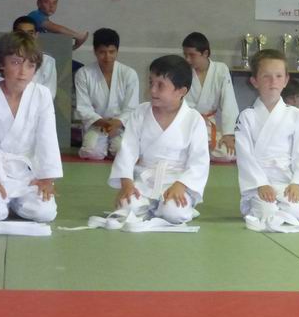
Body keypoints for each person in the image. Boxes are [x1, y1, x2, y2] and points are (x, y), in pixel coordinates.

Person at [0, 31, 62, 223]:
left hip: (30, 173)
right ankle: (2, 199)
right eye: (15, 62)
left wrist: (47, 178)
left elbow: (47, 138)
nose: (23, 72)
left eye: (30, 65)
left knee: (45, 213)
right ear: (1, 64)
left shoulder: (42, 94)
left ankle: (16, 202)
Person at [108, 55, 210, 224]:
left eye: (160, 85)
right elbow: (128, 150)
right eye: (151, 83)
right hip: (145, 180)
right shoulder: (140, 113)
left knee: (174, 212)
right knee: (128, 207)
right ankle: (151, 206)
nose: (153, 90)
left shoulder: (194, 119)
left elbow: (199, 161)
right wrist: (127, 183)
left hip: (177, 181)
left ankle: (178, 207)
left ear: (181, 91)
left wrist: (181, 184)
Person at [235, 49, 299, 227]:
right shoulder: (247, 116)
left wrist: (298, 183)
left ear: (286, 80)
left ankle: (283, 206)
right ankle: (260, 204)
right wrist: (260, 184)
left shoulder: (296, 115)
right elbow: (245, 156)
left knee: (296, 213)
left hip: (286, 182)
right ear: (254, 81)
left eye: (279, 76)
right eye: (266, 76)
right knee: (267, 214)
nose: (273, 82)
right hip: (259, 184)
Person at [75, 28, 140, 160]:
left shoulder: (129, 74)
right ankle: (105, 146)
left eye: (111, 52)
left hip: (120, 126)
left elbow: (131, 108)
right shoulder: (84, 73)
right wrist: (103, 123)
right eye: (102, 52)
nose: (107, 57)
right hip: (96, 124)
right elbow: (84, 107)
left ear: (117, 51)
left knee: (123, 153)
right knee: (92, 152)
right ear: (95, 51)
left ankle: (112, 146)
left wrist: (116, 123)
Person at [181, 32, 239, 161]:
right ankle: (198, 151)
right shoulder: (183, 71)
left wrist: (228, 133)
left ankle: (198, 152)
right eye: (185, 55)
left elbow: (229, 102)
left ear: (205, 53)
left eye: (192, 55)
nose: (187, 60)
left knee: (228, 154)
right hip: (189, 124)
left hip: (212, 125)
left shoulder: (220, 70)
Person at [0, 16, 57, 99]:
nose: (25, 37)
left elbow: (49, 94)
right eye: (21, 33)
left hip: (35, 105)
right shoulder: (2, 59)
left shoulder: (48, 61)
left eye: (30, 33)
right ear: (13, 35)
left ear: (36, 35)